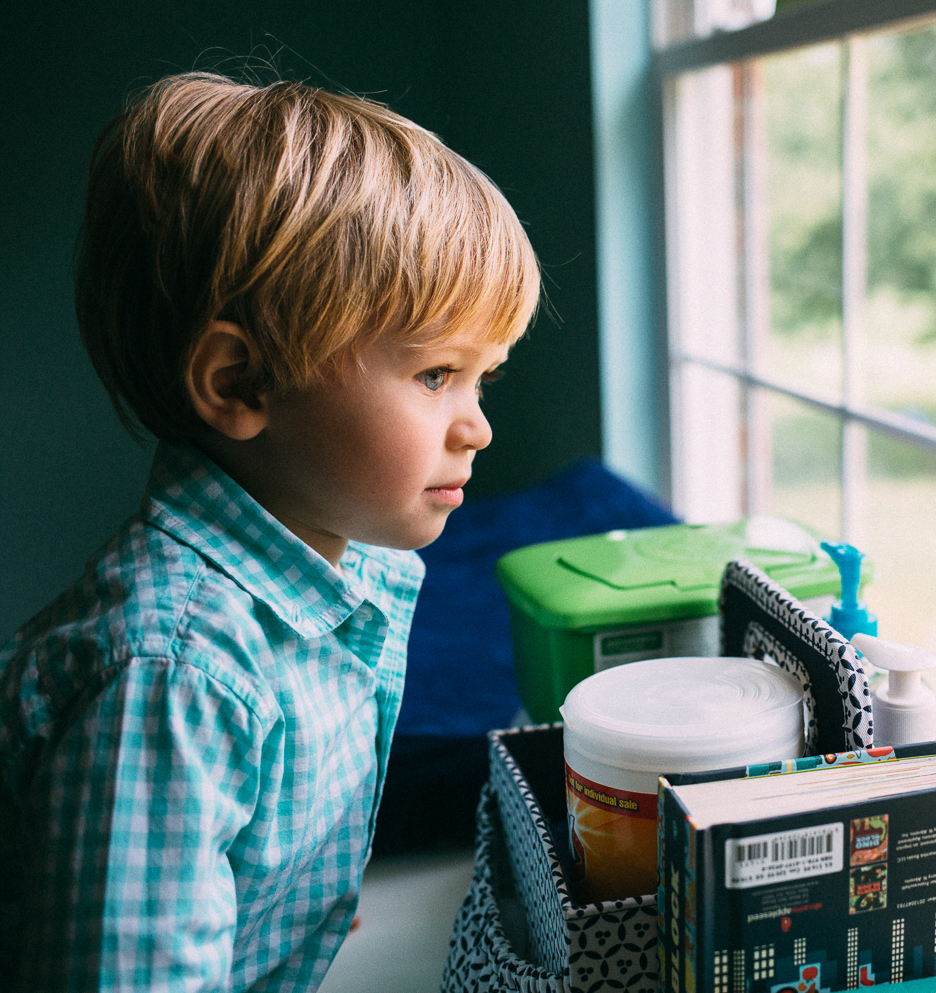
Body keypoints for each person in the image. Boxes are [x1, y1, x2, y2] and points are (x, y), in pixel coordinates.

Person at [0, 72, 540, 990]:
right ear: (241, 385)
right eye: (436, 374)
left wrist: (287, 892)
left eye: (482, 378)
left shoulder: (344, 563)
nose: (477, 426)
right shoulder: (174, 683)